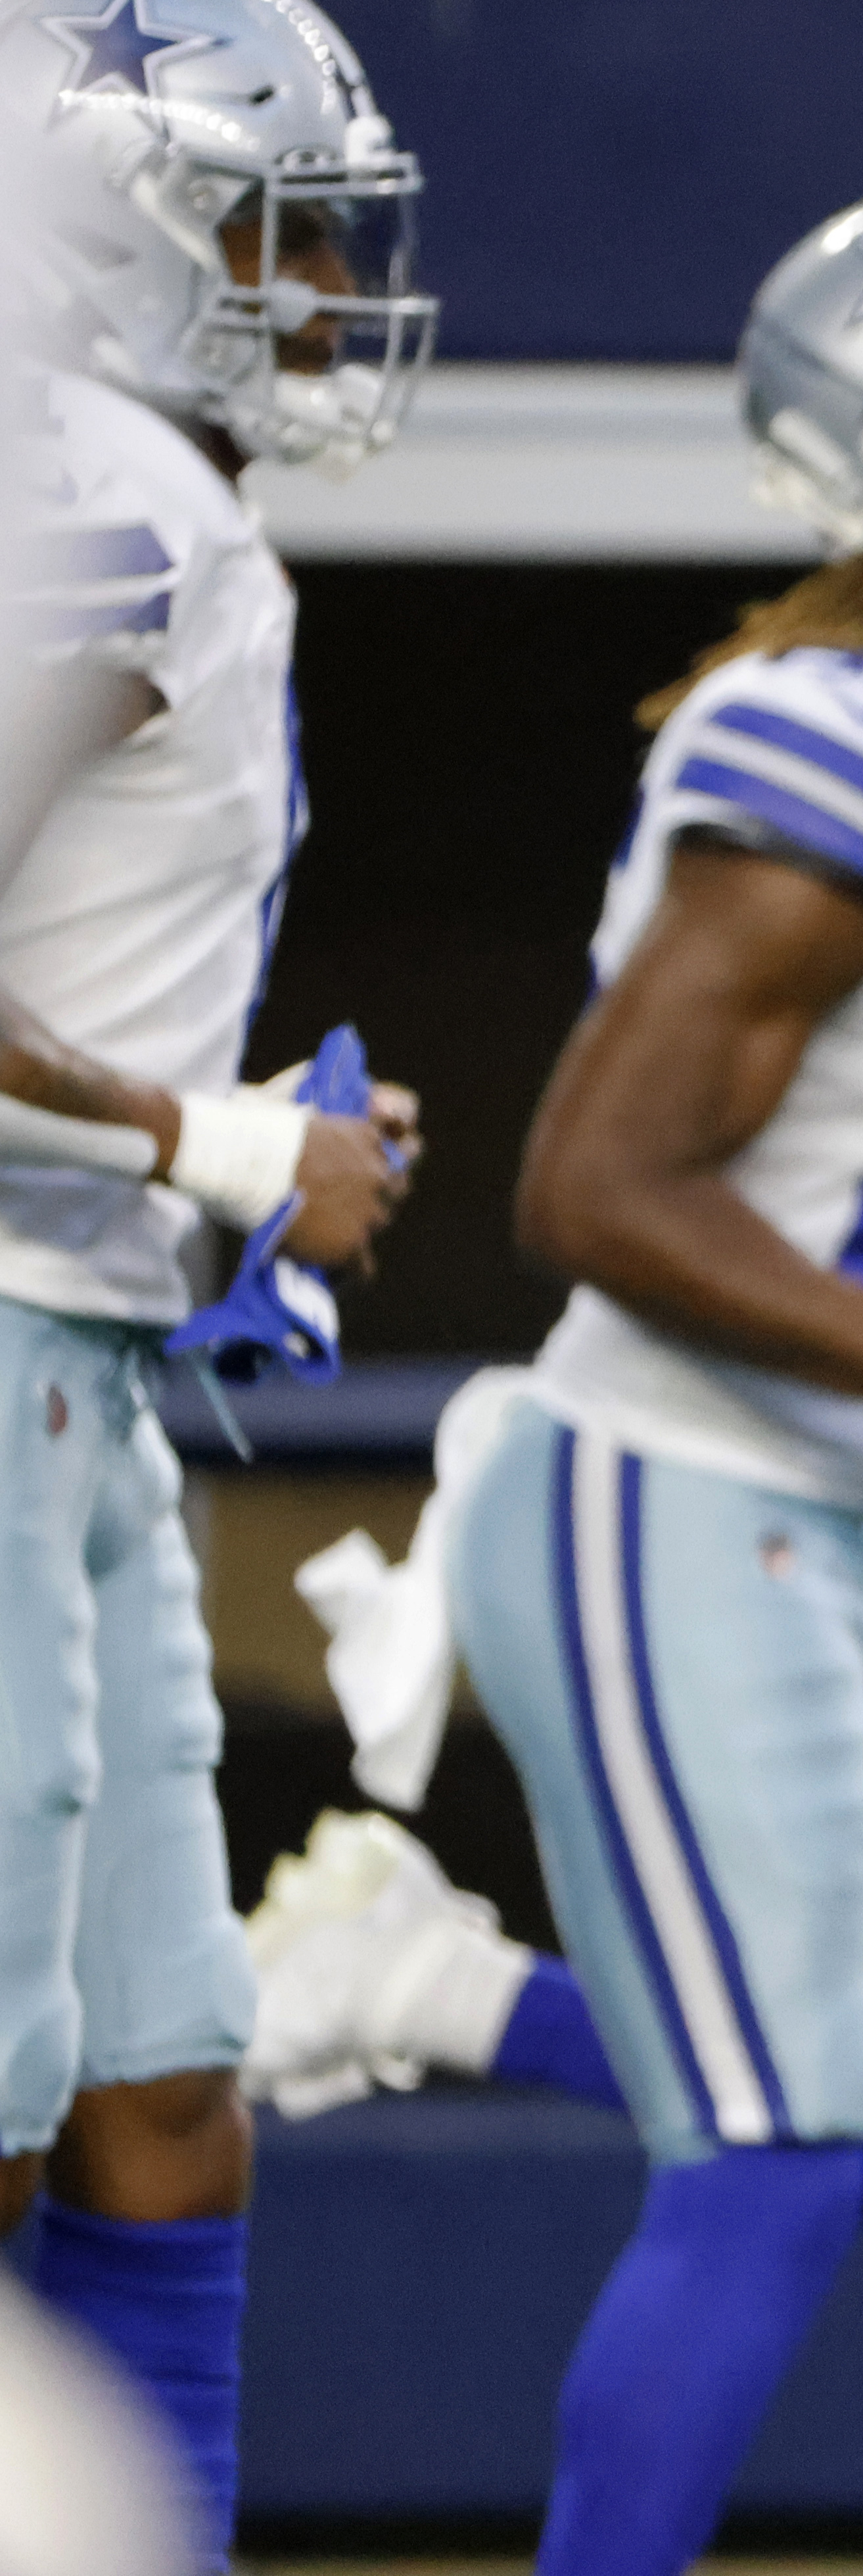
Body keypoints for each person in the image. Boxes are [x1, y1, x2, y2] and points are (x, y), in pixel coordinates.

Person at [260, 181, 863, 2576]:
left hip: (838, 1519)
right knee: (773, 2160)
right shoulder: (841, 755)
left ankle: (449, 1988)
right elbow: (588, 1190)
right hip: (664, 1490)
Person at [0, 0, 433, 2546]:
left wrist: (215, 1172)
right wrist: (229, 1128)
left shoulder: (150, 496)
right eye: (266, 228)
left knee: (165, 2090)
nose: (310, 285)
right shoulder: (101, 504)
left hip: (83, 1373)